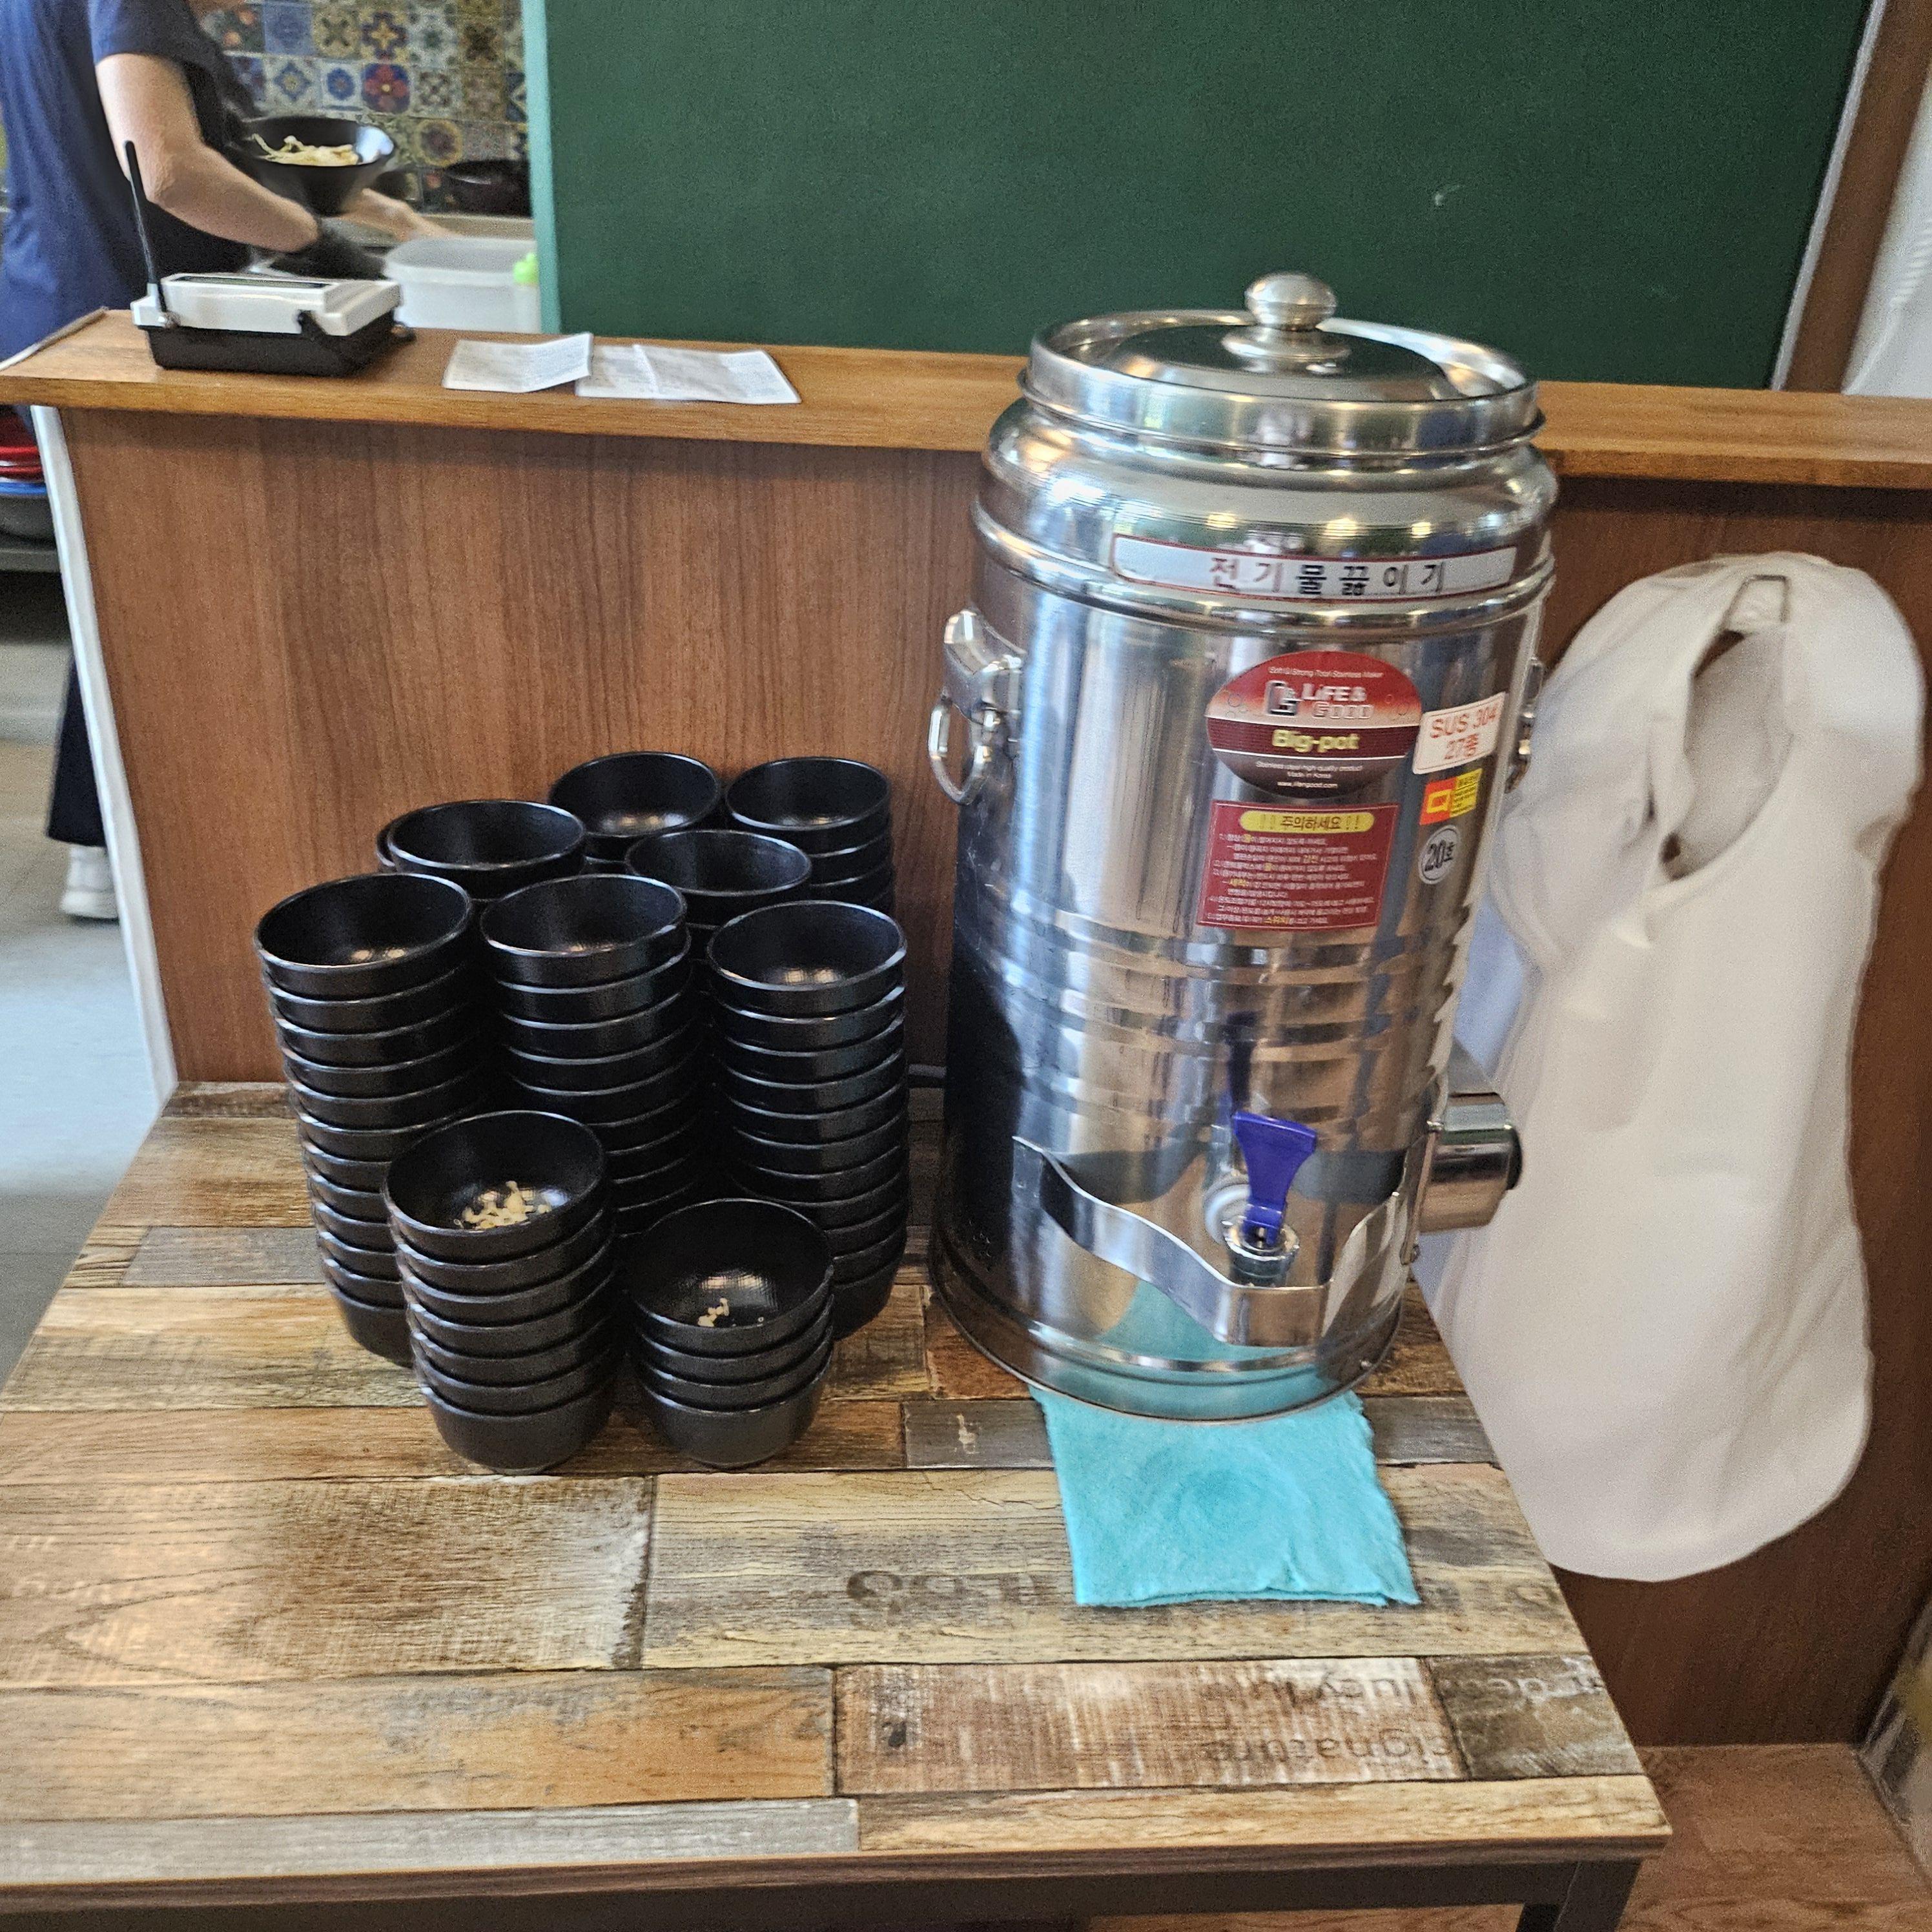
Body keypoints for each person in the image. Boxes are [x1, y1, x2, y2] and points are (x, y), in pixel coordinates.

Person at [0, 0, 436, 918]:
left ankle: (109, 847)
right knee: (157, 590)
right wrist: (320, 245)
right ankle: (124, 850)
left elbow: (199, 144)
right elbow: (166, 166)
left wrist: (361, 208)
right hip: (127, 324)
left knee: (126, 580)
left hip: (71, 305)